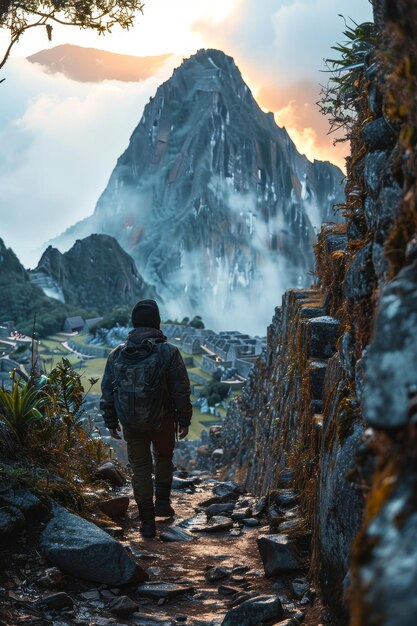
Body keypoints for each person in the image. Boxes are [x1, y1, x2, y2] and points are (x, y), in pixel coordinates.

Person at [100, 299, 192, 538]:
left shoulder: (117, 354)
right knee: (163, 458)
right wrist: (184, 420)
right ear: (157, 323)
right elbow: (180, 389)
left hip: (131, 423)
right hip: (163, 420)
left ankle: (147, 522)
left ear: (134, 324)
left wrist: (111, 421)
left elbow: (108, 391)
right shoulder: (168, 352)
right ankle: (162, 504)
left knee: (139, 468)